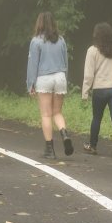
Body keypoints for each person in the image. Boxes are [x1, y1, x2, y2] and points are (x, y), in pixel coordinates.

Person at [25, 11, 73, 159]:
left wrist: (30, 84)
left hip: (44, 78)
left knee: (46, 114)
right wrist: (64, 78)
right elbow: (66, 62)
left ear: (39, 23)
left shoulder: (36, 41)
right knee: (57, 112)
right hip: (60, 77)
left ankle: (49, 150)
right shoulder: (61, 40)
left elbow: (33, 64)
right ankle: (64, 133)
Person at [81, 22, 112, 159]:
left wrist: (85, 92)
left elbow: (88, 74)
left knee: (97, 118)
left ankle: (92, 146)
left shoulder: (92, 50)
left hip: (99, 89)